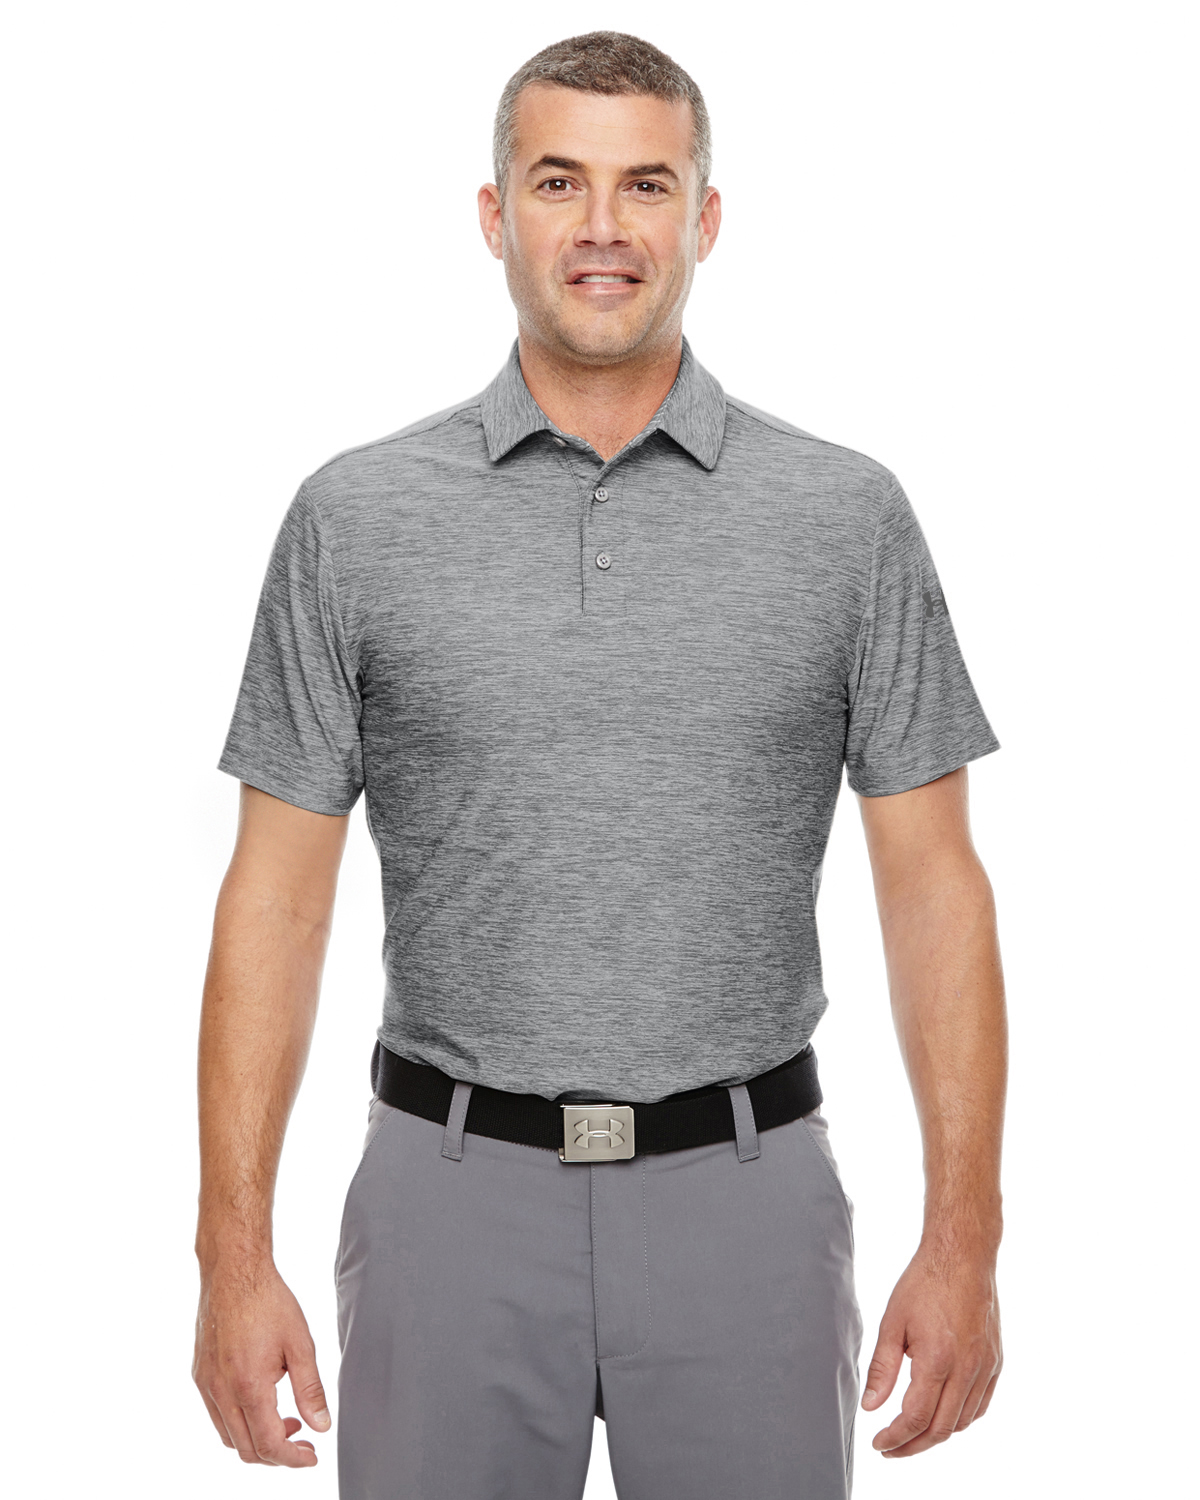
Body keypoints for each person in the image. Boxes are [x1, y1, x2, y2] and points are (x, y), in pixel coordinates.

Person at [192, 30, 1006, 1500]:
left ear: (707, 217)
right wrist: (229, 1253)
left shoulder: (845, 517)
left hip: (750, 1204)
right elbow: (275, 901)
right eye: (558, 181)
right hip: (445, 1204)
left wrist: (967, 1237)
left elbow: (935, 888)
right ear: (494, 213)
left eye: (647, 185)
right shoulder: (355, 518)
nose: (602, 228)